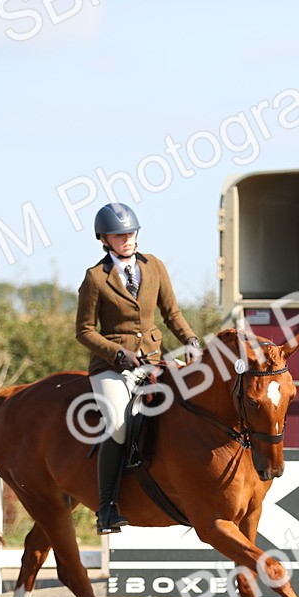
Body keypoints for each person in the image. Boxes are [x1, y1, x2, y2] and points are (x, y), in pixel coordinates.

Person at [75, 202, 202, 534]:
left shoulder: (155, 266)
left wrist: (190, 339)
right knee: (118, 423)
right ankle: (107, 507)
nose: (127, 240)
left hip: (153, 358)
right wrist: (118, 354)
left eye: (131, 233)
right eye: (119, 236)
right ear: (104, 239)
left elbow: (171, 313)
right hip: (111, 367)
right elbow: (84, 331)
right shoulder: (95, 278)